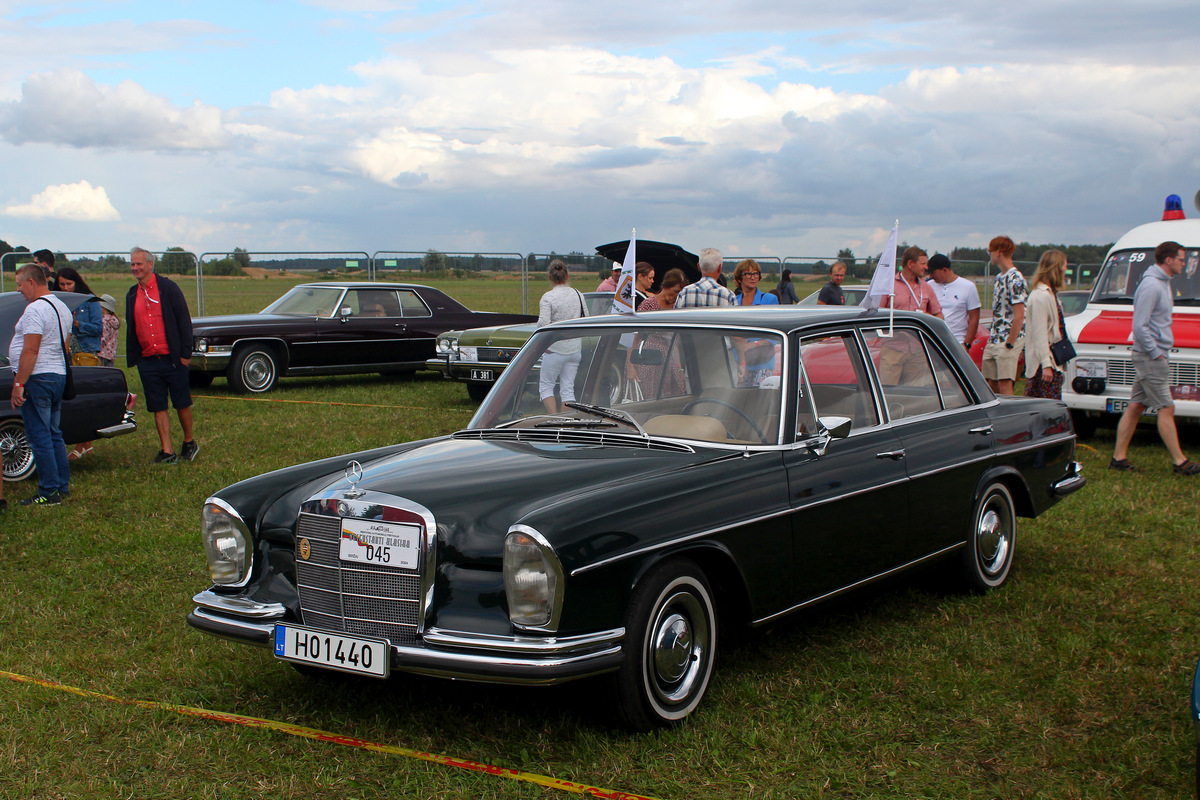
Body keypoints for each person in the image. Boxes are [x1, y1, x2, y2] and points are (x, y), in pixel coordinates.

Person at [1111, 241, 1199, 475]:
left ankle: (1118, 458)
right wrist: (1155, 352)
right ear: (1168, 260)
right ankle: (1180, 461)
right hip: (1151, 357)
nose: (1184, 263)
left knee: (1136, 406)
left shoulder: (1162, 283)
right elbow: (1140, 326)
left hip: (1151, 355)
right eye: (1181, 259)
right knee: (1166, 407)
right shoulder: (1152, 286)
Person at [126, 247, 199, 464]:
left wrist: (186, 354)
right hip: (148, 361)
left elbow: (183, 321)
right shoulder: (132, 294)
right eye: (132, 264)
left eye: (139, 264)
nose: (135, 268)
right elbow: (132, 326)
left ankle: (189, 441)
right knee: (158, 406)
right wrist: (137, 357)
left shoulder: (168, 288)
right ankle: (167, 451)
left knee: (181, 403)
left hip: (173, 359)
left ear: (150, 264)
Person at [8, 264, 72, 505]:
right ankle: (61, 486)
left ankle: (48, 491)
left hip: (38, 378)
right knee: (54, 432)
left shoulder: (35, 310)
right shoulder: (61, 307)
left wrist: (19, 383)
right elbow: (64, 347)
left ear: (32, 283)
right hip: (57, 375)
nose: (19, 289)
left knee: (39, 435)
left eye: (20, 284)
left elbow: (31, 349)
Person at [537, 260, 589, 413]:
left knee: (546, 387)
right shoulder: (578, 294)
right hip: (574, 349)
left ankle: (554, 420)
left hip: (554, 350)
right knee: (567, 389)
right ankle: (566, 423)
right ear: (567, 276)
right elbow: (586, 317)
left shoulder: (548, 298)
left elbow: (544, 324)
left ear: (549, 277)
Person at [982, 235, 1027, 396]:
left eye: (991, 252)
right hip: (995, 337)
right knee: (989, 382)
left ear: (999, 252)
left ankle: (1010, 418)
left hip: (1008, 338)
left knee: (1005, 383)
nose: (991, 255)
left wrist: (1010, 343)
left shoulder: (1016, 279)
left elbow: (1020, 315)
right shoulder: (999, 278)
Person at [1023, 250, 1068, 400]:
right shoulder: (1040, 297)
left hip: (1053, 362)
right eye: (1064, 266)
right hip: (1043, 365)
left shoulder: (1050, 294)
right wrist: (1046, 364)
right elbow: (1040, 333)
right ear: (1056, 268)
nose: (1066, 270)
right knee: (1043, 411)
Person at [927, 254, 981, 348]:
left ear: (945, 270)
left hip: (957, 341)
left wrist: (967, 344)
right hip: (933, 340)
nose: (931, 276)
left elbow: (974, 318)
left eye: (933, 273)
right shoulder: (928, 286)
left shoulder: (968, 286)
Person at [54, 267, 103, 365]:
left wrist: (78, 324)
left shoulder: (89, 300)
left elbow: (98, 329)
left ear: (76, 282)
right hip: (61, 352)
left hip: (85, 351)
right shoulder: (55, 300)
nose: (65, 288)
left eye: (69, 284)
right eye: (62, 284)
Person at [882, 247, 943, 318]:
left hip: (917, 328)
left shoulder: (926, 287)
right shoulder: (888, 285)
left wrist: (928, 317)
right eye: (923, 264)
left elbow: (939, 315)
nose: (926, 267)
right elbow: (878, 312)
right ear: (910, 264)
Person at [97, 294, 120, 367]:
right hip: (111, 354)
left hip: (102, 354)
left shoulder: (105, 321)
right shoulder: (114, 320)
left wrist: (97, 347)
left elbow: (104, 337)